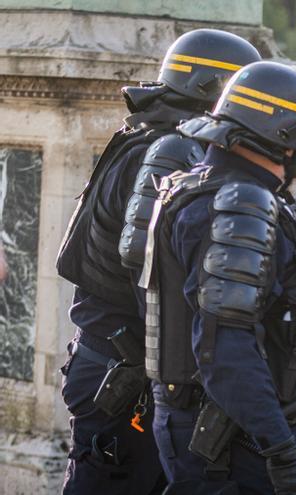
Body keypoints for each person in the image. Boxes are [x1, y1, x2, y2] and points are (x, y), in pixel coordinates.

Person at [141, 61, 296, 493]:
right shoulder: (238, 203)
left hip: (232, 424)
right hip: (232, 436)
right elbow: (226, 350)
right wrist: (280, 448)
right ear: (284, 140)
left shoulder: (213, 188)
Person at [54, 29, 261, 495]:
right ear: (215, 92)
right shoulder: (169, 150)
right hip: (121, 366)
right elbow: (148, 268)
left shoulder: (159, 137)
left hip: (123, 359)